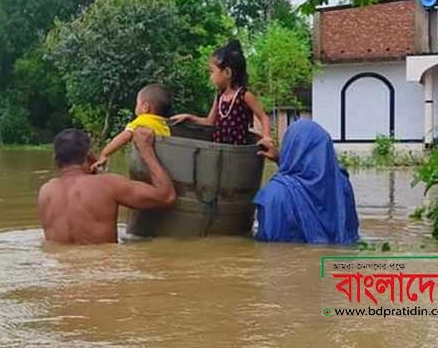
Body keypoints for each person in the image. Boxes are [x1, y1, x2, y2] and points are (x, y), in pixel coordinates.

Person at [38, 127, 175, 245]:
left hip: (61, 274)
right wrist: (146, 150)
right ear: (90, 156)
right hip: (101, 270)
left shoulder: (45, 192)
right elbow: (166, 196)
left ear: (56, 160)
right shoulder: (107, 184)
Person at [254, 120, 359, 244]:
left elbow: (268, 245)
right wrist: (280, 159)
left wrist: (282, 159)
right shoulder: (342, 186)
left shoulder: (273, 194)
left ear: (289, 146)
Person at [171, 40, 272, 147]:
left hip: (238, 153)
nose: (210, 76)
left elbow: (263, 117)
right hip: (219, 150)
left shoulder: (244, 95)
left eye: (212, 71)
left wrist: (266, 138)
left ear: (227, 72)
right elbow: (210, 122)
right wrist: (190, 117)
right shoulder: (219, 97)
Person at [91, 84, 172, 172]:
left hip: (144, 170)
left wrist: (105, 154)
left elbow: (124, 137)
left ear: (145, 107)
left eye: (137, 103)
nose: (136, 106)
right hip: (163, 170)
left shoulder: (142, 121)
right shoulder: (166, 125)